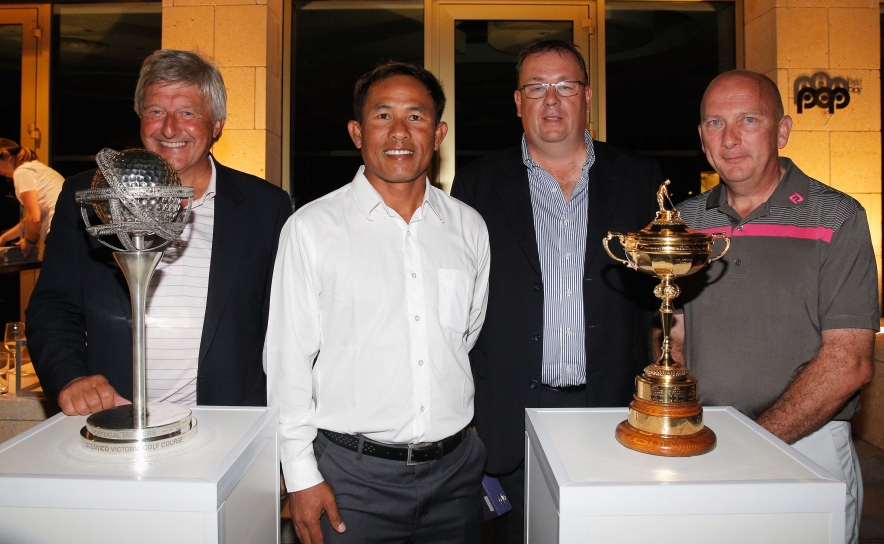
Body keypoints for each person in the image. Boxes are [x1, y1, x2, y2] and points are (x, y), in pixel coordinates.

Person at [266, 62, 490, 544]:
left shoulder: (469, 227)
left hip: (455, 478)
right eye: (382, 116)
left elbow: (465, 337)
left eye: (416, 117)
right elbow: (288, 362)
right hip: (351, 482)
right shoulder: (311, 229)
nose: (399, 133)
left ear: (439, 132)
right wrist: (300, 473)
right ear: (356, 131)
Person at [450, 39, 663, 543]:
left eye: (565, 86)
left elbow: (659, 299)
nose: (551, 100)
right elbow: (456, 307)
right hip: (507, 417)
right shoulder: (477, 184)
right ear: (518, 101)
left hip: (612, 409)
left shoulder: (638, 178)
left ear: (587, 97)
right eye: (537, 87)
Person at [670, 69, 877, 544]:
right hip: (703, 444)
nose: (730, 139)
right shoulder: (684, 221)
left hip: (809, 448)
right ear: (702, 136)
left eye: (748, 120)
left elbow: (850, 363)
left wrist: (750, 445)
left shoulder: (838, 216)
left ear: (782, 130)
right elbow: (674, 335)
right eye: (715, 123)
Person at [27, 49, 292, 415]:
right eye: (155, 111)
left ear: (216, 125)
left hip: (225, 429)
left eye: (187, 113)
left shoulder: (266, 208)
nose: (169, 128)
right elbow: (53, 306)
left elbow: (286, 326)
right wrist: (71, 377)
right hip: (113, 417)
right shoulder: (90, 196)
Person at [0, 139, 63, 259]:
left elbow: (35, 217)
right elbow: (29, 220)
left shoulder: (22, 172)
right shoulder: (36, 168)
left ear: (7, 156)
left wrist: (29, 242)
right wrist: (4, 238)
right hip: (69, 231)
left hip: (58, 234)